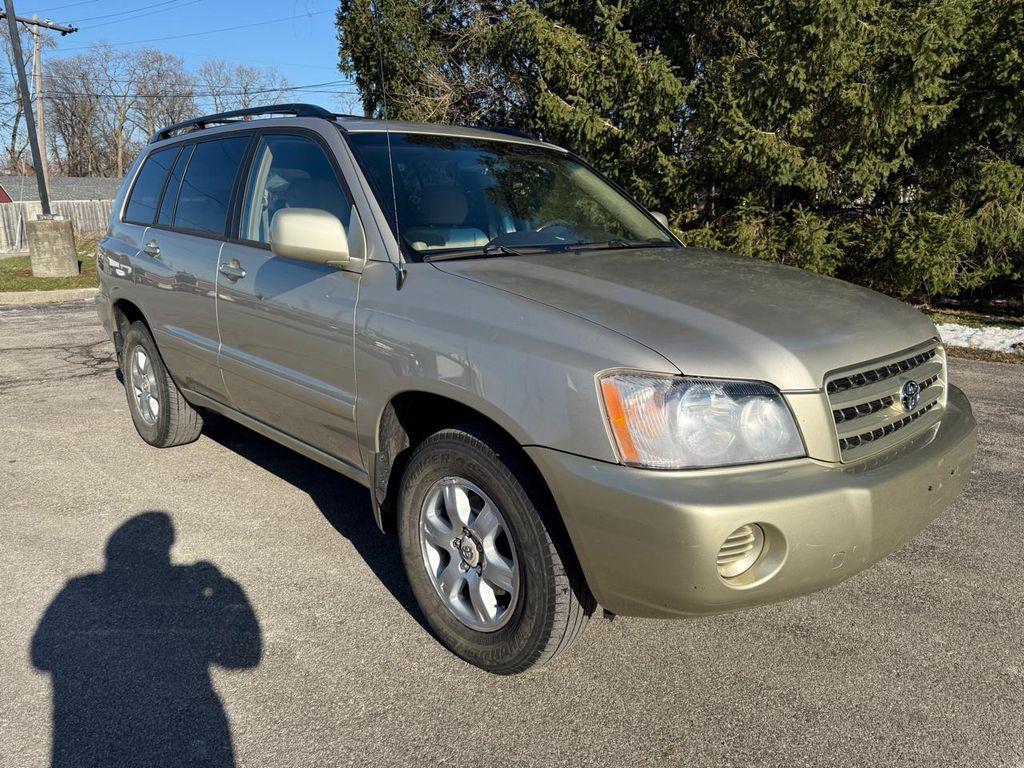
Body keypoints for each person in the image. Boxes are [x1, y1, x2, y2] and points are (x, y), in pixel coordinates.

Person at [31, 512, 261, 767]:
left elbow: (41, 655)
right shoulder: (185, 586)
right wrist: (224, 589)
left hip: (105, 737)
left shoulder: (80, 588)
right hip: (187, 731)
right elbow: (245, 656)